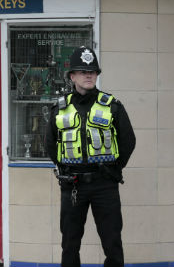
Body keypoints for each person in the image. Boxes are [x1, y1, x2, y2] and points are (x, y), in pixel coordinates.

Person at [45, 46, 136, 267]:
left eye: (92, 72)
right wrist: (66, 168)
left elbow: (128, 141)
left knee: (112, 242)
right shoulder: (59, 109)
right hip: (72, 185)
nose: (88, 75)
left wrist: (113, 169)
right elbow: (50, 145)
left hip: (105, 184)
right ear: (72, 76)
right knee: (70, 244)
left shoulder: (112, 106)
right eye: (83, 71)